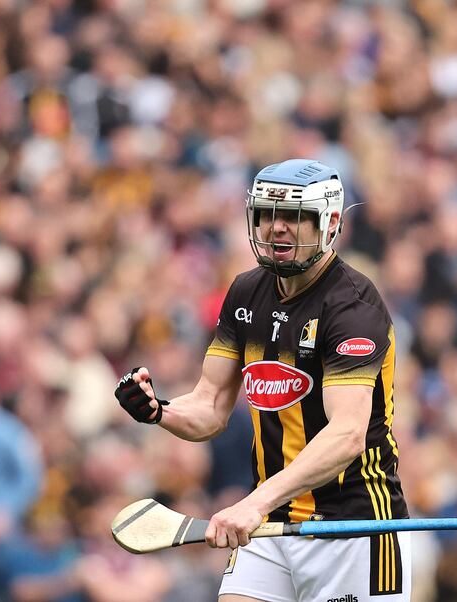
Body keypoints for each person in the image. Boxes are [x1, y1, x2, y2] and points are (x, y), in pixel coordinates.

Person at [114, 159, 411, 601]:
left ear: (329, 222)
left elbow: (347, 435)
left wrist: (254, 503)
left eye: (293, 216)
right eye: (267, 214)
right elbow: (210, 407)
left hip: (353, 526)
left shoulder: (352, 307)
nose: (277, 228)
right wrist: (160, 411)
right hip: (271, 522)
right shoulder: (245, 292)